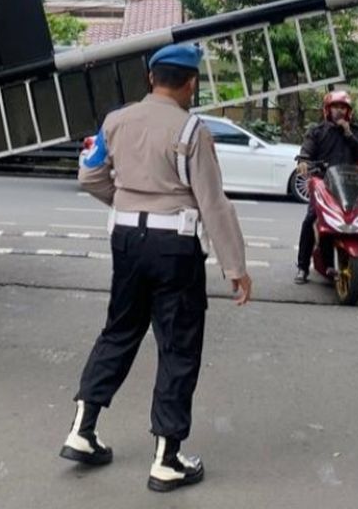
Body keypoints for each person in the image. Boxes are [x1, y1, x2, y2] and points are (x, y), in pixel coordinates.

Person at [61, 42, 252, 493]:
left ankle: (82, 430)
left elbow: (88, 176)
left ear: (151, 78)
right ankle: (167, 459)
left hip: (126, 240)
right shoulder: (192, 131)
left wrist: (126, 204)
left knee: (119, 330)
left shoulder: (116, 121)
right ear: (190, 83)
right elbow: (212, 202)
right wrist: (235, 267)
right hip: (175, 246)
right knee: (178, 345)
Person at [293, 90, 358, 288]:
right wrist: (303, 161)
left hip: (351, 186)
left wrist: (349, 133)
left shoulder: (355, 130)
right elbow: (306, 151)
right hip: (325, 185)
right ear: (328, 110)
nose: (339, 111)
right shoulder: (317, 131)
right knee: (310, 219)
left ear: (348, 111)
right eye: (335, 107)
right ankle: (302, 267)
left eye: (343, 107)